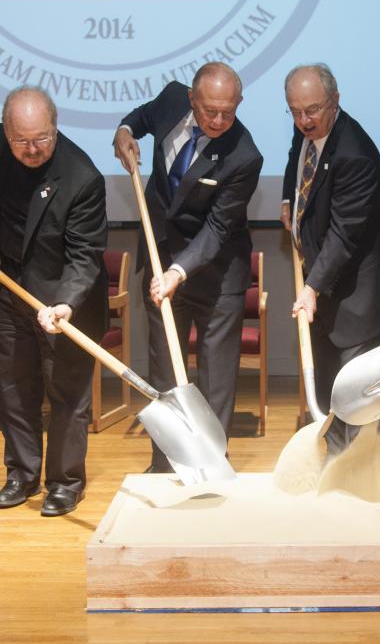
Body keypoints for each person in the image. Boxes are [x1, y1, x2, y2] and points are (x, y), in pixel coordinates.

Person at [0, 86, 107, 517]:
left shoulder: (82, 177)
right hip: (10, 290)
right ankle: (21, 475)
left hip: (65, 302)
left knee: (66, 395)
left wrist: (65, 304)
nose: (32, 149)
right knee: (13, 389)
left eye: (42, 138)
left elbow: (85, 257)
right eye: (22, 141)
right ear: (6, 132)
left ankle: (65, 483)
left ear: (56, 126)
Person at [114, 62, 263, 472]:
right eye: (209, 110)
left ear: (239, 103)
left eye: (228, 112)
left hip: (216, 275)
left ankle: (211, 464)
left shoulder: (244, 155)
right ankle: (165, 464)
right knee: (165, 371)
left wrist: (178, 273)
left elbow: (217, 229)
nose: (218, 120)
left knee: (215, 381)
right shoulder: (169, 99)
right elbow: (139, 119)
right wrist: (124, 131)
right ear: (191, 100)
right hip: (161, 255)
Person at [281, 64, 380, 447]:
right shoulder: (308, 126)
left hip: (358, 293)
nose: (303, 121)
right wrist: (289, 199)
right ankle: (332, 463)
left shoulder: (357, 155)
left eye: (313, 110)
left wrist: (312, 287)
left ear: (335, 101)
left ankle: (355, 479)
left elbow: (344, 235)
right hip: (326, 282)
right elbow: (296, 160)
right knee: (327, 386)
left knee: (355, 397)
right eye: (295, 111)